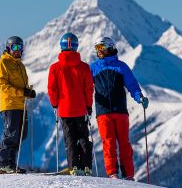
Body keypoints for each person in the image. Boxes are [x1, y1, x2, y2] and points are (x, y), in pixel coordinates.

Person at [90, 37, 149, 180]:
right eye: (97, 48)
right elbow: (85, 87)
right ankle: (112, 173)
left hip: (120, 111)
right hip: (103, 112)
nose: (99, 51)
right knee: (108, 143)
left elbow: (132, 85)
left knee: (124, 143)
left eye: (101, 48)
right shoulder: (93, 67)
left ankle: (128, 174)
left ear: (109, 47)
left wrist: (139, 97)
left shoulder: (122, 67)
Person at [47, 32, 94, 176]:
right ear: (76, 46)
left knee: (70, 139)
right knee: (83, 137)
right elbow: (89, 89)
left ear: (61, 47)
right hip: (80, 109)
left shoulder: (55, 68)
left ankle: (73, 167)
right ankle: (86, 166)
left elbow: (52, 89)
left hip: (65, 110)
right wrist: (88, 106)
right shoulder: (84, 67)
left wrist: (55, 104)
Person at [0, 36, 36, 174]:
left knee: (21, 135)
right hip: (10, 104)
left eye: (20, 48)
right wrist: (22, 92)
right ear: (8, 48)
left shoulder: (20, 65)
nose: (18, 51)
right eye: (15, 48)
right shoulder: (2, 63)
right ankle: (1, 163)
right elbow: (3, 86)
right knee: (11, 134)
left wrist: (28, 92)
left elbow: (21, 85)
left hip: (21, 105)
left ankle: (10, 164)